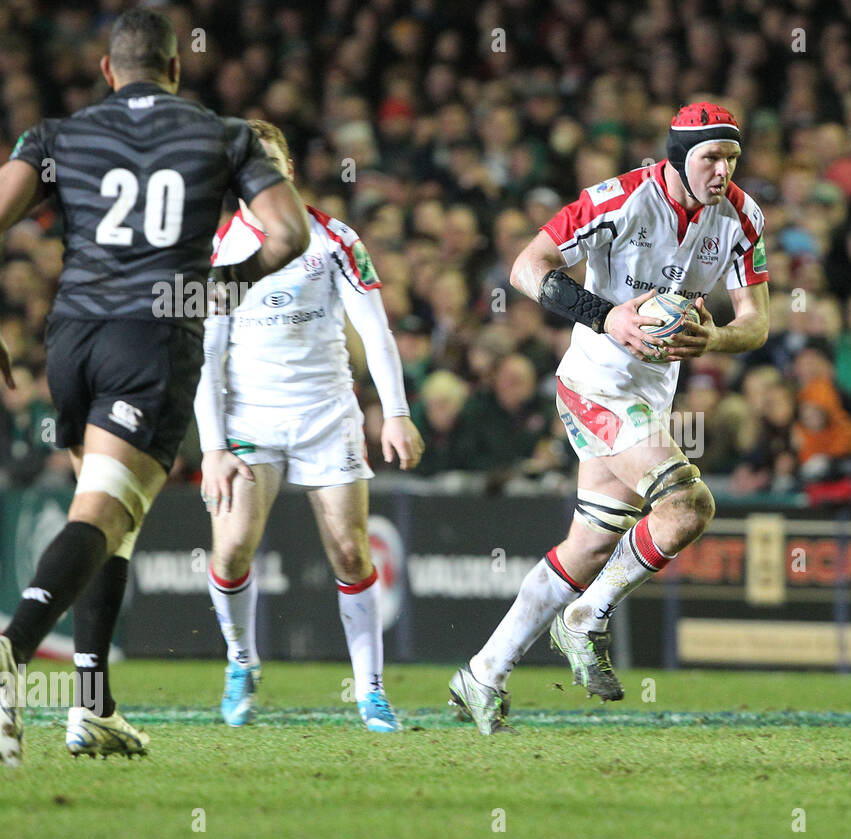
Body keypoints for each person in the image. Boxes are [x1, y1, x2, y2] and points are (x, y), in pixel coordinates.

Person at [0, 9, 309, 767]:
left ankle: (93, 707)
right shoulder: (224, 134)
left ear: (109, 71)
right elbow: (289, 234)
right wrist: (219, 286)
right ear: (176, 68)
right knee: (106, 510)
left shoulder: (54, 135)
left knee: (106, 514)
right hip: (152, 333)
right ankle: (10, 652)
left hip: (72, 337)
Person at [448, 102, 770, 734]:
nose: (722, 170)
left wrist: (715, 342)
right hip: (595, 383)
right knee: (689, 507)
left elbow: (756, 323)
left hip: (650, 395)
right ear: (678, 157)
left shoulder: (743, 216)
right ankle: (585, 619)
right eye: (710, 157)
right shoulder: (617, 199)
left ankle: (482, 673)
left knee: (592, 542)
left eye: (731, 157)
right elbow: (525, 268)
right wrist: (608, 316)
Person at [196, 120, 423, 732]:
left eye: (271, 162)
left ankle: (371, 691)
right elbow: (207, 359)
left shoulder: (335, 238)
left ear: (289, 170)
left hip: (327, 416)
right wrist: (213, 448)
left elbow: (375, 332)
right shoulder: (219, 250)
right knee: (232, 547)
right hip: (250, 419)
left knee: (350, 552)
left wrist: (396, 412)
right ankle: (242, 661)